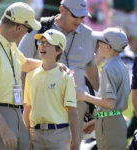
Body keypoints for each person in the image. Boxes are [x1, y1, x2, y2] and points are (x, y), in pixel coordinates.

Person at [19, 0, 99, 141]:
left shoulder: (88, 34)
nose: (79, 20)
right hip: (42, 105)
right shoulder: (39, 29)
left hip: (77, 104)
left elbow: (92, 69)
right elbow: (19, 62)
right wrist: (24, 101)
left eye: (83, 16)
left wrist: (98, 105)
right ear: (62, 9)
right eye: (75, 15)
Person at [0, 2, 44, 150]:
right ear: (18, 27)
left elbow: (24, 63)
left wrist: (52, 65)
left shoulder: (8, 43)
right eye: (28, 29)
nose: (27, 33)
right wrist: (4, 128)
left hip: (15, 112)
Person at [23, 29, 80, 150]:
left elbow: (72, 110)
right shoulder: (30, 75)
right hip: (35, 135)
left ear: (59, 50)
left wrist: (76, 140)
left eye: (48, 43)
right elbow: (27, 108)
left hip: (59, 134)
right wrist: (26, 136)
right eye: (41, 42)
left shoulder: (66, 76)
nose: (42, 46)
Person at [77, 27, 130, 150]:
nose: (98, 44)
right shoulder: (121, 66)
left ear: (109, 47)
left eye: (102, 42)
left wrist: (84, 96)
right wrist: (96, 120)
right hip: (116, 121)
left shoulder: (108, 68)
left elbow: (109, 103)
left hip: (109, 125)